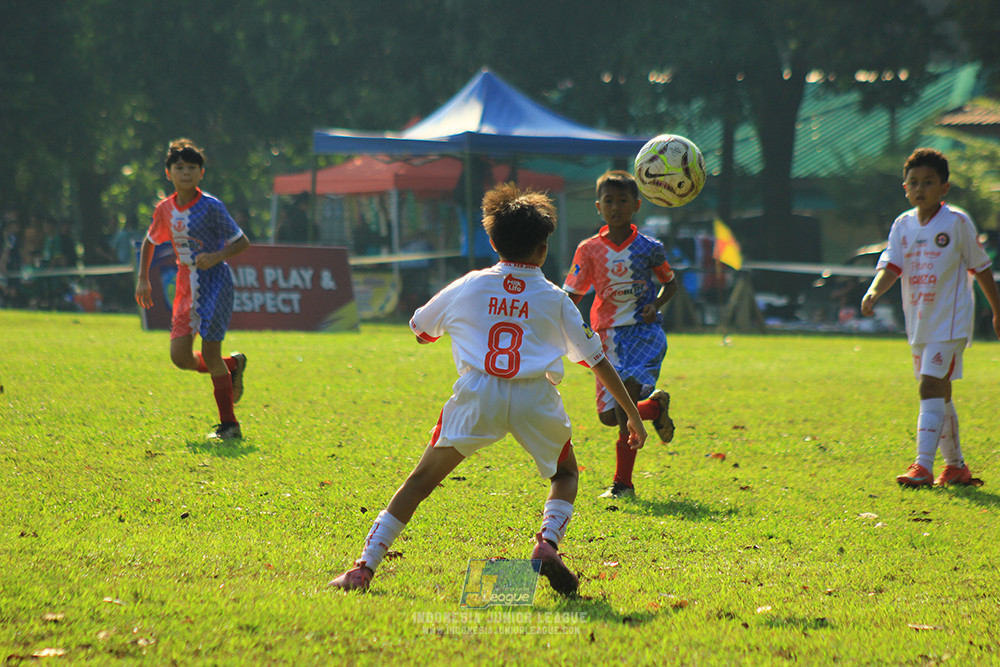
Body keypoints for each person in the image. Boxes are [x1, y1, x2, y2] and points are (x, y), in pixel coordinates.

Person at [329, 183, 647, 595]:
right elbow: (596, 360)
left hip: (478, 394)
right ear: (543, 250)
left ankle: (364, 567)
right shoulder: (555, 298)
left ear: (494, 243)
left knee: (420, 482)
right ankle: (547, 543)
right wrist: (633, 414)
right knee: (566, 473)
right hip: (536, 397)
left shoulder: (470, 284)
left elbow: (420, 330)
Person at [861, 148, 1000, 487]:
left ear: (944, 188)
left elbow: (981, 267)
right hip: (920, 322)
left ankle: (922, 466)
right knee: (941, 391)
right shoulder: (903, 225)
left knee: (928, 385)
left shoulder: (956, 222)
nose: (920, 188)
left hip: (950, 322)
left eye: (928, 182)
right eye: (913, 182)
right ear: (905, 188)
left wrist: (997, 310)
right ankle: (956, 467)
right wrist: (874, 291)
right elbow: (892, 265)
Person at [562, 170, 679, 499]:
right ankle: (654, 408)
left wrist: (656, 305)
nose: (615, 207)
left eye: (623, 200)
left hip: (643, 335)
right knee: (608, 417)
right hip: (606, 338)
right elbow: (572, 294)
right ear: (598, 207)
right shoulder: (588, 250)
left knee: (624, 405)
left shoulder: (650, 248)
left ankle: (623, 484)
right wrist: (554, 321)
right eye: (609, 201)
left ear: (637, 205)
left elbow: (671, 283)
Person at [135, 138, 251, 441]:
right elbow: (150, 240)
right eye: (179, 167)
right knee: (180, 357)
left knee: (211, 354)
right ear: (168, 173)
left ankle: (230, 426)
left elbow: (242, 242)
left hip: (215, 284)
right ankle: (232, 365)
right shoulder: (165, 209)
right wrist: (143, 278)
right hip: (186, 285)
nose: (185, 172)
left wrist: (216, 256)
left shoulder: (212, 207)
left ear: (201, 172)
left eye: (191, 167)